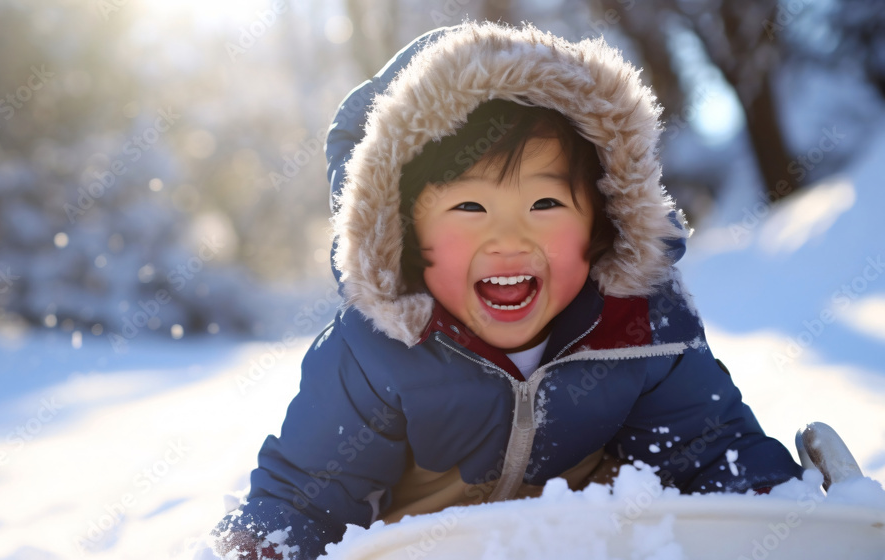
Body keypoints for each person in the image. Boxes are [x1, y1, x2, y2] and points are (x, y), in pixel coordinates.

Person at [211, 22, 803, 560]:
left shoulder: (641, 331)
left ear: (603, 220)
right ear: (402, 234)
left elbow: (710, 448)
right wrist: (264, 547)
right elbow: (306, 495)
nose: (509, 239)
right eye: (469, 207)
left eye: (545, 203)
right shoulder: (375, 355)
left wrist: (771, 510)